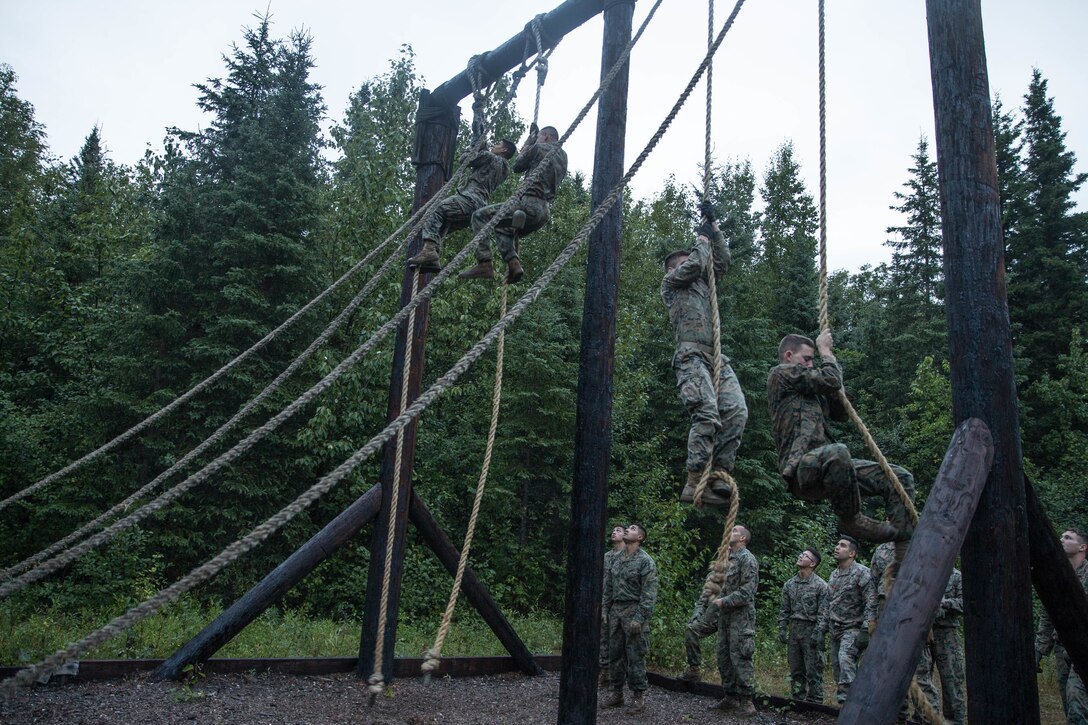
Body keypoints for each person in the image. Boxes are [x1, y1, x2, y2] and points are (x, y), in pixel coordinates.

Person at [767, 331, 915, 542]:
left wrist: (833, 371)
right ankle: (851, 519)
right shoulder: (780, 374)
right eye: (806, 359)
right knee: (838, 452)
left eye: (813, 360)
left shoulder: (813, 391)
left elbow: (841, 411)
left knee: (899, 478)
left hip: (831, 467)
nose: (811, 364)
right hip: (802, 469)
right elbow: (830, 379)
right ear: (789, 356)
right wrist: (825, 352)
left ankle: (902, 542)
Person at [661, 201, 748, 506]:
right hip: (691, 355)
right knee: (707, 414)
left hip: (715, 357)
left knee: (736, 411)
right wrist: (701, 238)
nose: (696, 260)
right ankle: (694, 479)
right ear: (675, 267)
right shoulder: (672, 282)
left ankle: (719, 474)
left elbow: (721, 262)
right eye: (685, 260)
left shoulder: (700, 281)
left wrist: (715, 228)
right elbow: (697, 262)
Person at [459, 124, 568, 284]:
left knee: (479, 216)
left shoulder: (539, 148)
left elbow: (517, 166)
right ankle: (514, 265)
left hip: (528, 204)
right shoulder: (564, 157)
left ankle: (484, 263)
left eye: (539, 137)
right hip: (543, 214)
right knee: (503, 229)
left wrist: (528, 143)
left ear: (545, 137)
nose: (537, 139)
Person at [407, 138, 517, 273]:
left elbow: (465, 159)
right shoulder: (505, 169)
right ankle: (432, 258)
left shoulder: (489, 157)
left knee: (435, 211)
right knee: (439, 224)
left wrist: (474, 146)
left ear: (504, 150)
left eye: (498, 144)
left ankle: (429, 250)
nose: (494, 145)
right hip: (478, 208)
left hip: (468, 200)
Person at [602, 523, 658, 714]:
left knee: (635, 656)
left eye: (633, 529)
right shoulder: (616, 559)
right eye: (628, 528)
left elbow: (649, 594)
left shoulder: (645, 561)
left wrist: (640, 617)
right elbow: (608, 587)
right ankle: (617, 693)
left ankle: (638, 697)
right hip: (616, 612)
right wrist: (605, 610)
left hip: (633, 611)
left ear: (640, 537)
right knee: (615, 655)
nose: (627, 530)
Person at [1035, 528, 1088, 725]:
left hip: (1084, 648)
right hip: (1061, 648)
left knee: (1076, 703)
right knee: (1068, 704)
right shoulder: (1058, 575)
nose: (1061, 539)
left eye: (1068, 537)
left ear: (1082, 547)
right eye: (1061, 536)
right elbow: (1048, 615)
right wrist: (1039, 650)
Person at [706, 525, 759, 717]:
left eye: (735, 530)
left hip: (740, 616)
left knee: (740, 657)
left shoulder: (748, 559)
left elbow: (748, 591)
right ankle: (730, 696)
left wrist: (725, 601)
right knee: (723, 656)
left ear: (743, 538)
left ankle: (747, 702)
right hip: (725, 616)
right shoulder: (727, 558)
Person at [818, 536, 876, 705]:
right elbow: (828, 603)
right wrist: (821, 630)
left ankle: (851, 706)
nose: (837, 547)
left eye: (842, 546)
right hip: (835, 628)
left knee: (846, 661)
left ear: (852, 553)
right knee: (837, 669)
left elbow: (871, 601)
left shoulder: (862, 573)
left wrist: (866, 629)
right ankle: (853, 704)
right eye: (837, 544)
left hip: (853, 628)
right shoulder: (834, 574)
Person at [778, 547, 829, 703]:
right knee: (796, 669)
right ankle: (798, 700)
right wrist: (782, 627)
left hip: (811, 629)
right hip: (794, 629)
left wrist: (819, 633)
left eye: (805, 556)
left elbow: (823, 612)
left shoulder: (821, 585)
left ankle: (815, 702)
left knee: (814, 669)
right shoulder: (789, 584)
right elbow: (784, 609)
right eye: (800, 554)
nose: (800, 556)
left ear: (812, 563)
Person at [929, 567, 966, 725]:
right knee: (922, 678)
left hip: (947, 634)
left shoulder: (957, 576)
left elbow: (966, 603)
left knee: (952, 679)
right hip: (924, 632)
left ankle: (954, 720)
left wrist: (946, 603)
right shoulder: (925, 573)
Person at [679, 564, 726, 682]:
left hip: (730, 618)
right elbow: (703, 600)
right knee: (691, 629)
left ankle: (733, 684)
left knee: (729, 651)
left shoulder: (736, 573)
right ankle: (694, 670)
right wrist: (696, 615)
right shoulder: (712, 575)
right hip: (711, 618)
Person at [598, 525, 626, 686]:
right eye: (613, 530)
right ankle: (604, 672)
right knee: (604, 637)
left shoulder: (628, 556)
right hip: (606, 602)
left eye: (619, 530)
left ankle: (621, 675)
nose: (614, 532)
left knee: (622, 641)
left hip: (622, 604)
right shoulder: (606, 557)